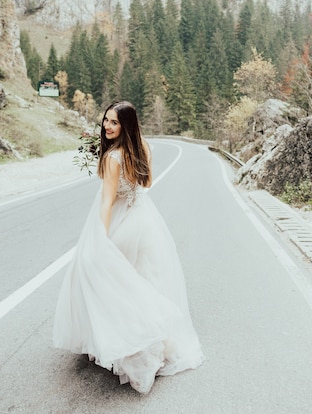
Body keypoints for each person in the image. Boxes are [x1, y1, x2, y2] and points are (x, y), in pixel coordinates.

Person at [53, 101, 204, 394]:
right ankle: (158, 338)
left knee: (108, 282)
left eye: (114, 123)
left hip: (123, 220)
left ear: (126, 126)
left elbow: (108, 200)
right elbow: (143, 183)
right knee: (143, 280)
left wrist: (101, 235)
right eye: (106, 121)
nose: (107, 126)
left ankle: (123, 341)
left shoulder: (113, 158)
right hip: (144, 220)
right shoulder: (143, 147)